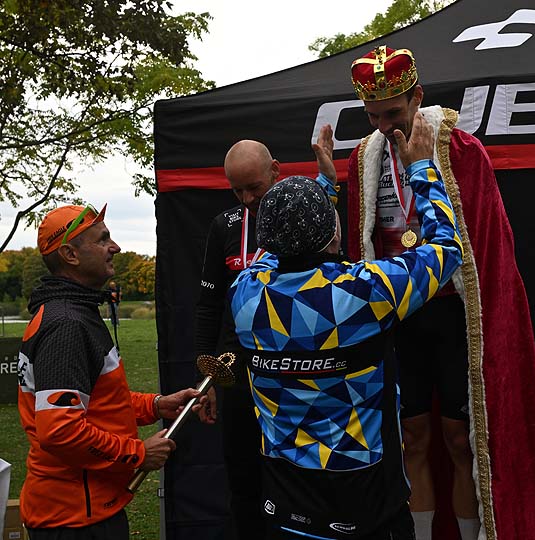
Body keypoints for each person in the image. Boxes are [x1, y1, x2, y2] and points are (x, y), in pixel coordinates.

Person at [347, 45, 535, 539]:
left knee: (460, 439)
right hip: (399, 315)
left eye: (393, 113)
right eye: (372, 115)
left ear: (417, 98)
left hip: (454, 315)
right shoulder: (364, 157)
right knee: (411, 437)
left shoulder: (462, 150)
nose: (383, 125)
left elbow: (490, 248)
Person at [229, 113, 462, 539]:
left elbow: (276, 247)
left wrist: (321, 187)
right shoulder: (364, 293)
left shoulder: (244, 294)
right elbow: (447, 248)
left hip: (284, 505)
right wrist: (421, 169)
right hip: (366, 506)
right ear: (332, 234)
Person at [17, 204, 209, 539]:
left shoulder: (75, 313)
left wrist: (156, 405)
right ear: (70, 255)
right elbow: (60, 430)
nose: (115, 247)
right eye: (103, 239)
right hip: (73, 519)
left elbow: (94, 401)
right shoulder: (66, 324)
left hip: (84, 512)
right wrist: (137, 454)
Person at [194, 132, 336, 537]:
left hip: (294, 370)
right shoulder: (225, 226)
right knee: (243, 478)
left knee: (302, 474)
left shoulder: (305, 212)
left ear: (275, 171)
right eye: (237, 190)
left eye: (253, 187)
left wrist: (328, 180)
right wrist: (206, 378)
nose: (247, 199)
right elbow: (208, 305)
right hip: (238, 373)